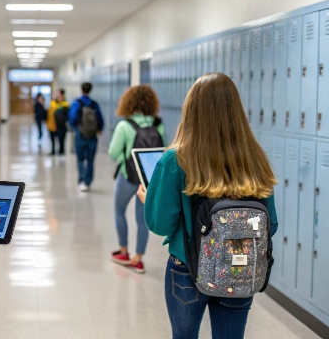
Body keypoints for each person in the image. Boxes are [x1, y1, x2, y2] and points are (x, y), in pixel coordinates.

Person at [137, 73, 278, 339]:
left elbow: (160, 224)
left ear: (191, 110)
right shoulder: (254, 158)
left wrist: (148, 200)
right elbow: (272, 224)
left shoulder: (175, 159)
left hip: (187, 268)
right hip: (240, 269)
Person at [108, 85, 164, 273]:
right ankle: (138, 259)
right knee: (142, 220)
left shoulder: (125, 125)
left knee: (119, 211)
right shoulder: (158, 124)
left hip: (128, 177)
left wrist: (125, 160)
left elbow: (113, 152)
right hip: (147, 180)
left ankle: (124, 251)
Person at [69, 82, 104, 191]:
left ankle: (81, 180)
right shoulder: (94, 104)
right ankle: (87, 183)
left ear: (81, 89)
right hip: (92, 136)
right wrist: (99, 129)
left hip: (80, 135)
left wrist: (76, 128)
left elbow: (72, 118)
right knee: (90, 160)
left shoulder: (77, 103)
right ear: (90, 90)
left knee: (80, 159)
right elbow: (100, 118)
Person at [46, 89, 70, 155]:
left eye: (59, 95)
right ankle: (53, 151)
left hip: (61, 126)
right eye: (56, 95)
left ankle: (61, 151)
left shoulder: (65, 105)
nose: (57, 96)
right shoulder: (52, 103)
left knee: (61, 140)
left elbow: (67, 116)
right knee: (52, 139)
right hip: (52, 125)